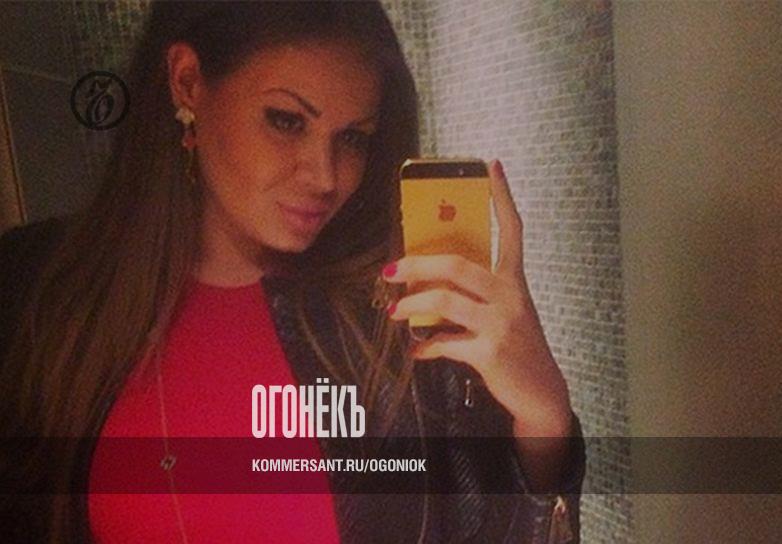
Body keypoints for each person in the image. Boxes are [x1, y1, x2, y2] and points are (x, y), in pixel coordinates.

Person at [0, 2, 585, 543]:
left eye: (353, 138)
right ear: (188, 82)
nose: (325, 177)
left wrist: (544, 418)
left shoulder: (397, 315)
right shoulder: (37, 294)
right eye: (286, 120)